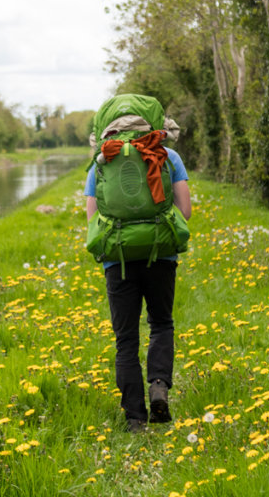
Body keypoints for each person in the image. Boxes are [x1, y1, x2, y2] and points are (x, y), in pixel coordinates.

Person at [85, 144, 192, 432]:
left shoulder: (103, 160)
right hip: (161, 254)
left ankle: (135, 418)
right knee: (161, 323)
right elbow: (186, 211)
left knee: (126, 340)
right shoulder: (168, 154)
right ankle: (158, 386)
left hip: (118, 261)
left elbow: (93, 220)